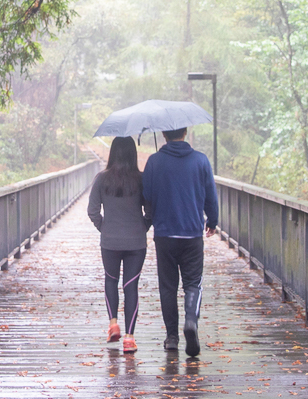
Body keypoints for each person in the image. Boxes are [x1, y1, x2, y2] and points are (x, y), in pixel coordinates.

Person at [140, 126, 218, 358]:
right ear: (185, 133)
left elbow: (147, 197)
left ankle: (172, 337)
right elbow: (210, 196)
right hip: (192, 234)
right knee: (193, 283)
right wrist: (212, 220)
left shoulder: (154, 161)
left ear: (164, 135)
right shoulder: (201, 161)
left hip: (165, 234)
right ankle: (191, 322)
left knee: (168, 286)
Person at [88, 136, 150, 353]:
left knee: (111, 281)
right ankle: (129, 338)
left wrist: (103, 228)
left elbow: (92, 211)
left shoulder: (101, 179)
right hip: (136, 241)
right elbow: (151, 210)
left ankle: (113, 323)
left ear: (112, 152)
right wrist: (144, 226)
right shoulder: (142, 180)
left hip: (110, 241)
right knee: (130, 286)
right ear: (133, 153)